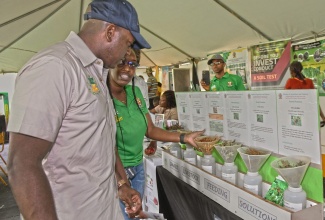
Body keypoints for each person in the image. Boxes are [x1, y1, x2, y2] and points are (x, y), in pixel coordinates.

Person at [6, 0, 151, 219]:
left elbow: (96, 144)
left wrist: (120, 185)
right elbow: (22, 164)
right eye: (127, 43)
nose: (126, 53)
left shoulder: (95, 73)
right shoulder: (55, 67)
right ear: (111, 32)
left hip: (104, 208)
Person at [107, 48, 204, 220]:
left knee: (134, 216)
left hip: (137, 168)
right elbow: (108, 147)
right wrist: (121, 182)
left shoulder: (135, 93)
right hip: (114, 174)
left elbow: (150, 130)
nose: (128, 69)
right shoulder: (101, 98)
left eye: (132, 64)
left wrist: (183, 137)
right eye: (122, 62)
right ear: (109, 62)